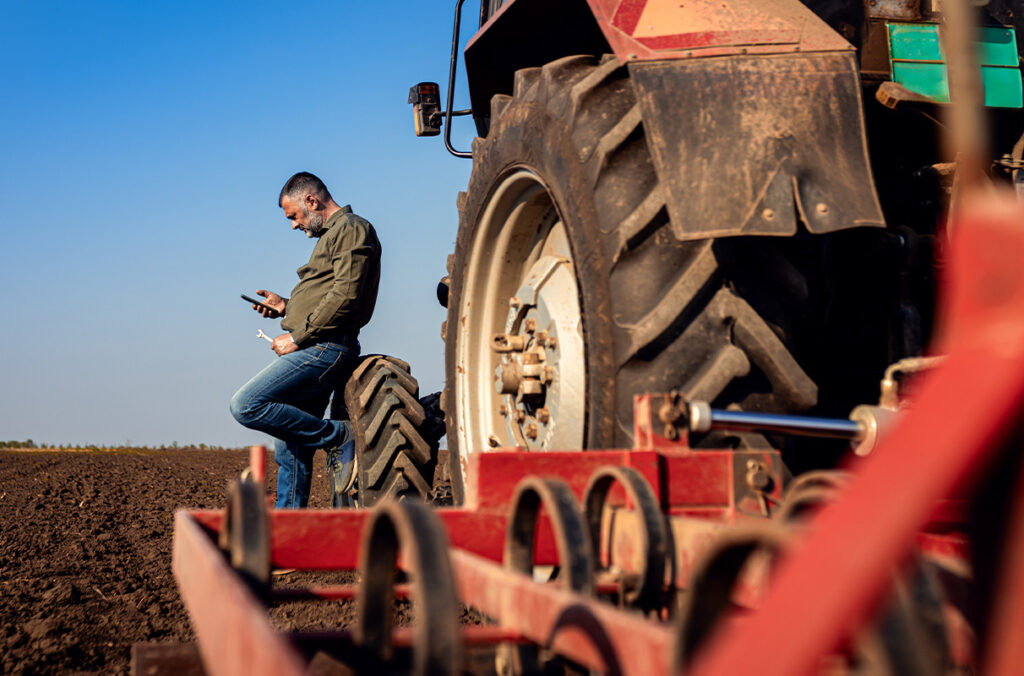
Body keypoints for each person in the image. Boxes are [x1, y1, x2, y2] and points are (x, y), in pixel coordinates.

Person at [230, 172, 381, 508]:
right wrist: (285, 307)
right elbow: (328, 294)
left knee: (245, 405)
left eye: (294, 216)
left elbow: (345, 296)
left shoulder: (352, 228)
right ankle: (289, 531)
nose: (295, 226)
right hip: (316, 342)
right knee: (291, 443)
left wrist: (297, 336)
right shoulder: (331, 238)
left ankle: (337, 436)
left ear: (312, 201)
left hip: (326, 346)